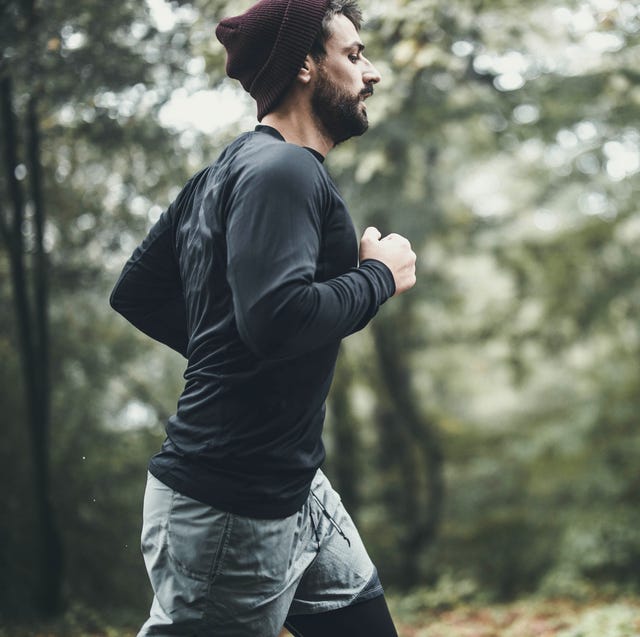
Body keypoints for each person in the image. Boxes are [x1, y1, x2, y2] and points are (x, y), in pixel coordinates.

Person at [110, 0, 416, 634]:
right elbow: (276, 318)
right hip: (230, 502)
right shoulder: (284, 170)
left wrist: (235, 351)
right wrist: (377, 277)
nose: (372, 73)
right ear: (305, 65)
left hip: (292, 482)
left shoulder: (227, 170)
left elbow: (139, 292)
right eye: (353, 56)